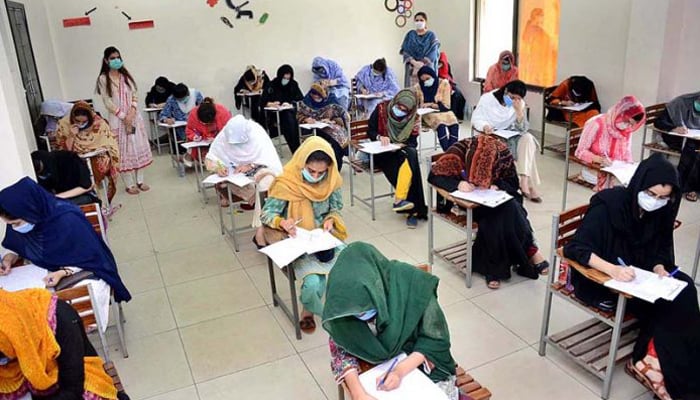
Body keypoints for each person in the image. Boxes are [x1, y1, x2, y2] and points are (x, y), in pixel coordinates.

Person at [563, 153, 700, 400]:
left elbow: (660, 249)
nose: (655, 201)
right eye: (651, 194)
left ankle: (655, 358)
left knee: (686, 288)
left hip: (639, 279)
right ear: (639, 184)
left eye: (662, 198)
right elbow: (577, 248)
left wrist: (659, 267)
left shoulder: (659, 212)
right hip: (603, 281)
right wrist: (612, 269)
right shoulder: (609, 204)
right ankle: (652, 363)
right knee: (670, 307)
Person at [322, 242, 459, 400]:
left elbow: (435, 338)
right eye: (355, 311)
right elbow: (341, 351)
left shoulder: (412, 282)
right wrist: (359, 394)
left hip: (415, 360)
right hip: (374, 371)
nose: (362, 314)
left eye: (367, 305)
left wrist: (399, 371)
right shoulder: (343, 303)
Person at [0, 178, 132, 325]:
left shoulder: (68, 218)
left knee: (67, 307)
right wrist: (8, 259)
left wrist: (63, 272)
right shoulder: (21, 217)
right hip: (43, 276)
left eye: (16, 223)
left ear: (31, 211)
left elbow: (92, 255)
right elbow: (15, 245)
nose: (14, 228)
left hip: (84, 270)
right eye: (9, 224)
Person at [428, 135, 549, 289]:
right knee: (506, 211)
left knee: (506, 208)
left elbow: (513, 184)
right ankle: (530, 251)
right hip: (470, 201)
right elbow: (434, 176)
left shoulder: (501, 153)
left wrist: (498, 184)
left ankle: (494, 269)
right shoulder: (459, 152)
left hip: (496, 199)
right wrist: (458, 184)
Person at [259, 137, 347, 334]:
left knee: (353, 266)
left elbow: (337, 208)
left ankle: (336, 309)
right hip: (297, 242)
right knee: (314, 282)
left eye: (321, 172)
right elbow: (266, 214)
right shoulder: (286, 182)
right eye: (311, 171)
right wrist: (282, 222)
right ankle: (310, 310)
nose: (315, 176)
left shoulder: (332, 181)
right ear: (301, 163)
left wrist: (331, 219)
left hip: (324, 239)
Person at [0, 289, 128, 400]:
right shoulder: (12, 315)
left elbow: (73, 390)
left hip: (75, 383)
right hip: (32, 384)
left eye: (3, 356)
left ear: (19, 339)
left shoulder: (60, 319)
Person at [472, 80, 542, 201]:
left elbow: (523, 129)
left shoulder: (518, 104)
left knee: (528, 139)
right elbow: (476, 119)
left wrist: (519, 111)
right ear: (505, 91)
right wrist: (485, 126)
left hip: (509, 135)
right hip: (490, 134)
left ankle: (524, 180)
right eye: (512, 97)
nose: (514, 101)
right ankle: (529, 185)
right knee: (518, 150)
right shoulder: (488, 99)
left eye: (518, 98)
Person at [95, 46, 152, 195]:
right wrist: (123, 116)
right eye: (112, 58)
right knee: (123, 151)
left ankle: (140, 180)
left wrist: (132, 112)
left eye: (118, 57)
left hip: (133, 118)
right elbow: (107, 102)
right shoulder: (103, 79)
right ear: (106, 61)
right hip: (117, 119)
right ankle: (129, 184)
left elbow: (135, 94)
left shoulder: (126, 76)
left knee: (137, 146)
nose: (116, 60)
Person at [367, 89, 426, 228]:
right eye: (399, 106)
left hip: (400, 150)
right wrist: (380, 137)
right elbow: (370, 131)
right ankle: (413, 210)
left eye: (404, 110)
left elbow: (412, 142)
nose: (400, 110)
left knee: (411, 155)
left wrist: (400, 144)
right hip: (382, 152)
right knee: (410, 162)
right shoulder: (382, 109)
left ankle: (401, 200)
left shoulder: (414, 118)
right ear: (395, 101)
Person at [205, 115, 283, 211]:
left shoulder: (256, 133)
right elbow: (212, 157)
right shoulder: (224, 135)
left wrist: (251, 165)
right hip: (234, 171)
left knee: (267, 180)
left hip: (258, 167)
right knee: (224, 183)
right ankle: (253, 200)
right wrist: (218, 167)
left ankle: (263, 203)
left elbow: (268, 158)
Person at [576, 95, 646, 191]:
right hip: (595, 169)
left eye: (632, 124)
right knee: (622, 190)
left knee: (637, 182)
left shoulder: (627, 130)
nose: (627, 126)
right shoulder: (596, 123)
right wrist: (598, 159)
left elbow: (627, 152)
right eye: (626, 121)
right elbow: (580, 151)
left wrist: (629, 166)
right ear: (619, 113)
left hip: (616, 171)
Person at [55, 101, 120, 203]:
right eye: (77, 121)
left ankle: (95, 194)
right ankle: (88, 195)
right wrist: (72, 135)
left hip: (97, 156)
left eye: (84, 122)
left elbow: (109, 144)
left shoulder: (99, 123)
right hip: (75, 158)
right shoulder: (64, 124)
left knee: (101, 164)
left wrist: (93, 150)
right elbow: (65, 152)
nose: (80, 124)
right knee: (76, 170)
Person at [654, 91, 700, 202]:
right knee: (694, 148)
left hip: (694, 138)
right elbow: (659, 122)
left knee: (696, 146)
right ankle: (683, 186)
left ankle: (692, 186)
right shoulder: (681, 103)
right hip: (674, 137)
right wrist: (674, 128)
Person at [297, 84, 349, 171]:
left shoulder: (331, 99)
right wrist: (306, 119)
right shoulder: (307, 101)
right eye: (314, 95)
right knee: (329, 141)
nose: (316, 97)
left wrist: (332, 120)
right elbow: (299, 115)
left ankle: (336, 167)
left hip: (330, 127)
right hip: (314, 129)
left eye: (318, 96)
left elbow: (342, 116)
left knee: (337, 141)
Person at [413, 66, 460, 151]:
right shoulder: (418, 87)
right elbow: (416, 105)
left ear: (433, 75)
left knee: (454, 124)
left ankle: (453, 150)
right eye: (423, 80)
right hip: (428, 113)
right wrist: (422, 106)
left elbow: (446, 105)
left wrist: (431, 104)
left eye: (428, 79)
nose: (426, 82)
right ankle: (448, 151)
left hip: (444, 111)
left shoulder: (444, 84)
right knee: (440, 125)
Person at [262, 64, 304, 153]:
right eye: (284, 78)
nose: (286, 81)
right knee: (288, 120)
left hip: (291, 112)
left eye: (288, 79)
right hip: (276, 114)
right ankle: (295, 149)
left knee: (291, 119)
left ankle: (297, 149)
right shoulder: (271, 85)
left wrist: (290, 103)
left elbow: (300, 98)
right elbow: (262, 101)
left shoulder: (293, 84)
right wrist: (270, 104)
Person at [184, 97, 232, 176]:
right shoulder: (193, 113)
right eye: (203, 123)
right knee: (208, 161)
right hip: (202, 142)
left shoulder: (223, 113)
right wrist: (194, 136)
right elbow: (189, 129)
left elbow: (229, 132)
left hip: (220, 142)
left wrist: (217, 139)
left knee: (222, 160)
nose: (206, 125)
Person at [159, 83, 204, 167]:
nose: (182, 100)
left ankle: (193, 156)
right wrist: (166, 119)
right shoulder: (171, 99)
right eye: (179, 99)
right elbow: (163, 115)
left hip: (198, 126)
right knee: (183, 139)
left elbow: (205, 109)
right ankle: (187, 156)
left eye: (183, 98)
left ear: (188, 94)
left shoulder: (196, 94)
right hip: (181, 129)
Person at [31, 150, 99, 206]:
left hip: (83, 196)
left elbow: (86, 186)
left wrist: (56, 197)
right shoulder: (45, 166)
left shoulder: (69, 159)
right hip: (62, 197)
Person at [399, 12, 440, 88]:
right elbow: (405, 51)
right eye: (417, 20)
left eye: (421, 20)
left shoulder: (431, 36)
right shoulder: (410, 35)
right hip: (412, 69)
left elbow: (433, 53)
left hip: (427, 68)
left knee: (427, 94)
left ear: (425, 22)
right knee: (412, 95)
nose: (419, 22)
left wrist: (421, 64)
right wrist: (414, 63)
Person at [437, 51, 467, 121]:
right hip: (439, 85)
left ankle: (458, 116)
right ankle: (450, 117)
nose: (441, 64)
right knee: (451, 97)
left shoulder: (447, 65)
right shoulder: (434, 66)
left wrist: (450, 84)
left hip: (449, 83)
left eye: (442, 62)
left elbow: (450, 75)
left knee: (458, 94)